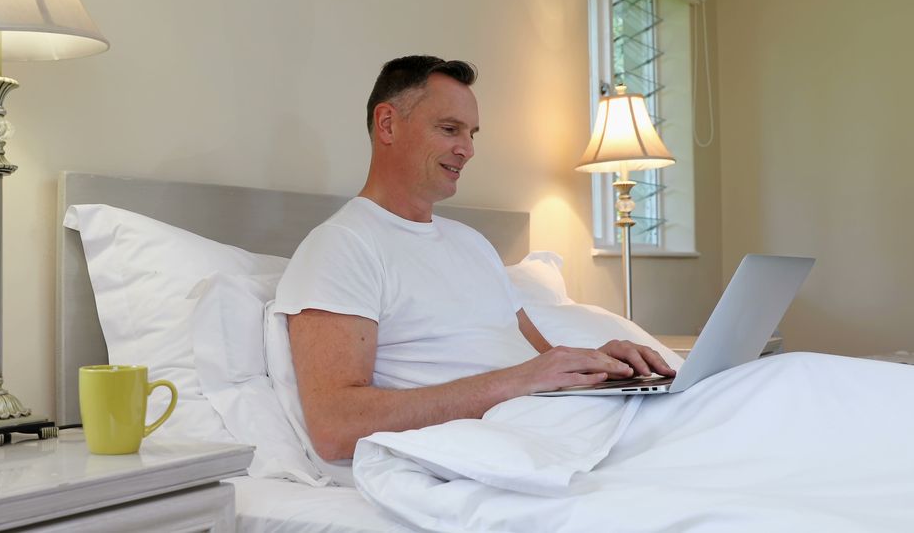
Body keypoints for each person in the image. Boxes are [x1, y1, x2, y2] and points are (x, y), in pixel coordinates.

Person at [274, 55, 675, 462]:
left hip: (559, 420)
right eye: (450, 129)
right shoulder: (342, 246)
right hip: (501, 444)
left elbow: (540, 362)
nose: (467, 149)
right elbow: (335, 427)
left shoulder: (473, 244)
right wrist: (514, 382)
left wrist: (600, 365)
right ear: (388, 124)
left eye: (472, 133)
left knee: (727, 395)